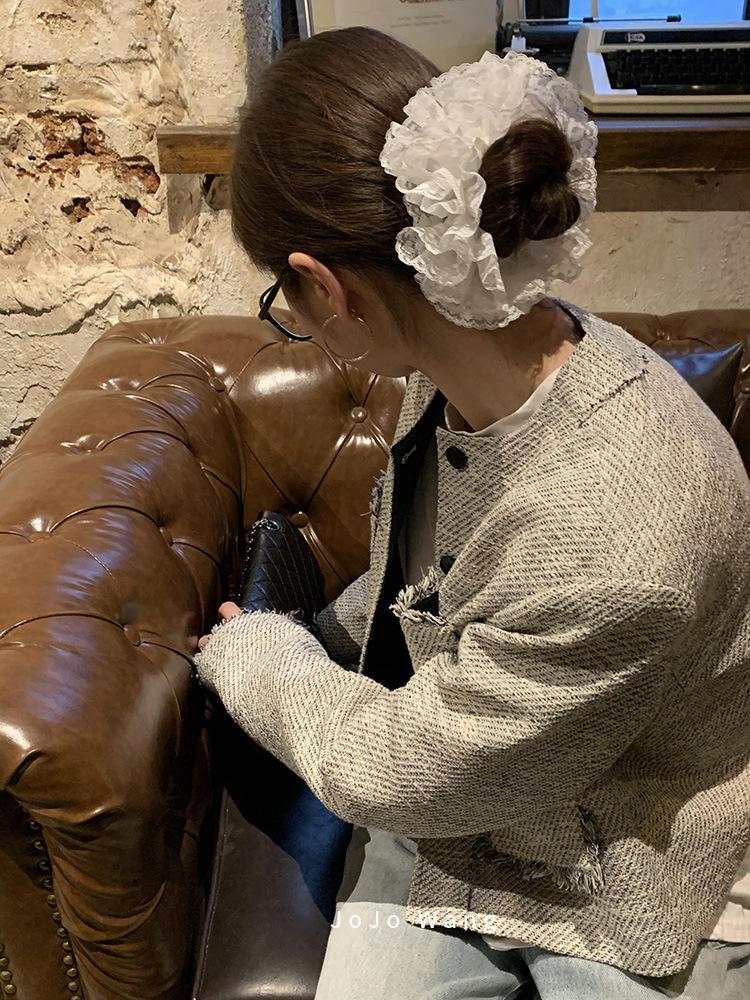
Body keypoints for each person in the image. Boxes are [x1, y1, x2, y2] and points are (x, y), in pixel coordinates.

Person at [193, 25, 750, 1000]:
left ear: (323, 286)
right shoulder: (452, 367)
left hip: (637, 856)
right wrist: (324, 632)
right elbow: (438, 578)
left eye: (284, 297)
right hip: (466, 790)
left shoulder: (620, 531)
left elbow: (391, 769)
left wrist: (258, 655)